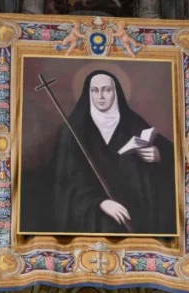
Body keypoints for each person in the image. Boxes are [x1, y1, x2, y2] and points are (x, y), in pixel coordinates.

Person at [33, 69, 177, 236]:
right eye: (95, 90)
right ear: (88, 93)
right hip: (90, 216)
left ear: (116, 93)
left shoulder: (133, 123)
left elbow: (176, 156)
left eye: (106, 90)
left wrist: (159, 155)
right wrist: (99, 203)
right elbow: (65, 182)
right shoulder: (74, 130)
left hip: (136, 216)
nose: (100, 96)